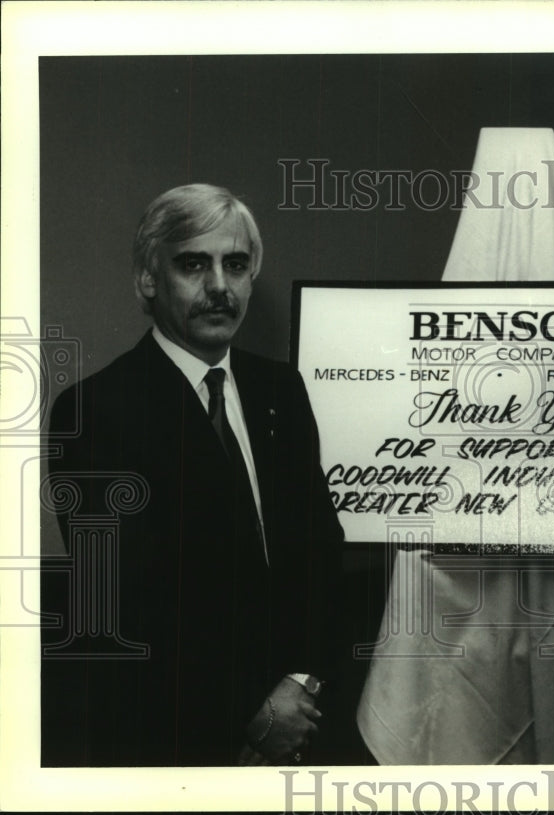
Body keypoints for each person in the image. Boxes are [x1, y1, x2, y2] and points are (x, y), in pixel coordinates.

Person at [41, 183, 345, 767]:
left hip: (298, 723)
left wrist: (299, 688)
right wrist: (253, 717)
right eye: (192, 265)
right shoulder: (96, 410)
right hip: (171, 736)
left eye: (235, 265)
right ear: (148, 280)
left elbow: (318, 555)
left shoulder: (281, 390)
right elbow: (129, 602)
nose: (219, 288)